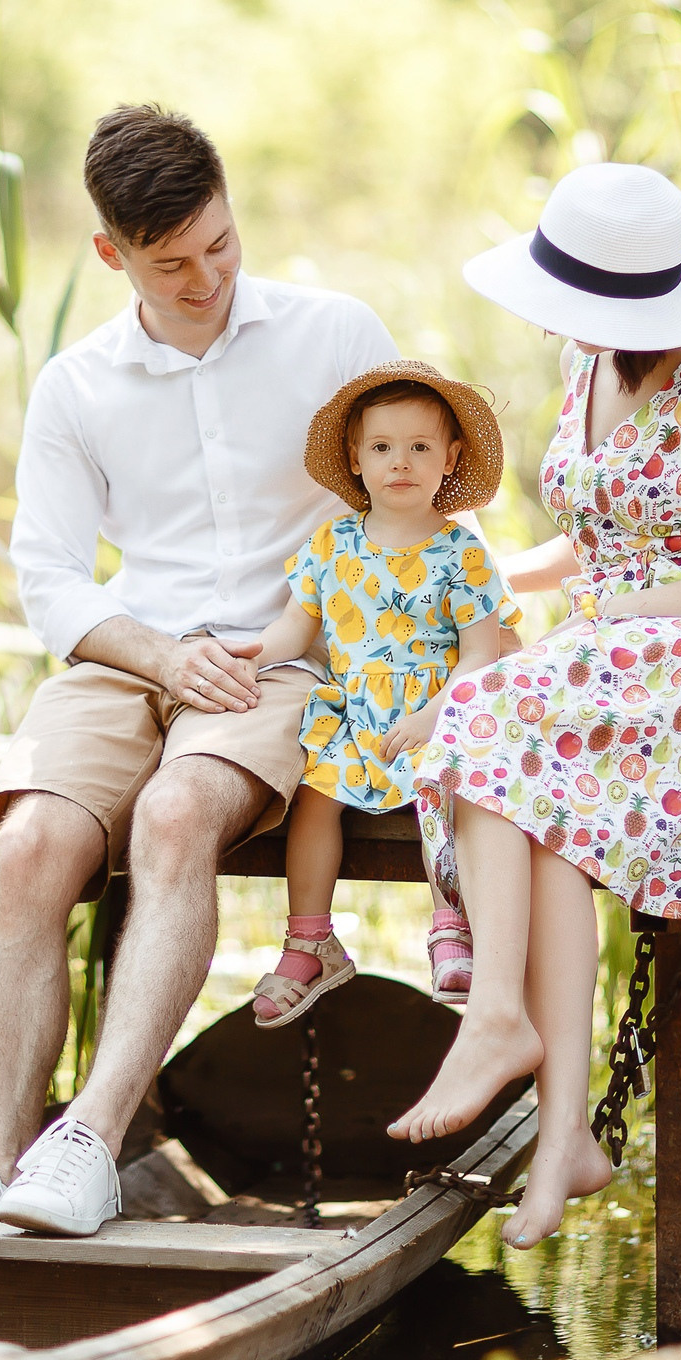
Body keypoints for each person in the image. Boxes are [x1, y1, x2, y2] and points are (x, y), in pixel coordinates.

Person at [0, 104, 398, 1236]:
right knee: (28, 845)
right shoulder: (75, 385)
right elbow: (51, 580)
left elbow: (409, 512)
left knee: (174, 817)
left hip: (278, 660)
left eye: (220, 244)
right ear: (112, 254)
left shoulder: (335, 333)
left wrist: (328, 643)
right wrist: (159, 654)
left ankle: (89, 1144)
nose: (206, 276)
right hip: (130, 656)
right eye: (171, 263)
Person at [388, 162, 681, 1248]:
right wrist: (489, 569)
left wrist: (616, 612)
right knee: (534, 808)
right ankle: (564, 1141)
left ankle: (497, 1015)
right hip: (624, 659)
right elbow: (593, 542)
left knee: (487, 707)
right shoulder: (595, 364)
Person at [239, 362, 519, 1026]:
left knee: (450, 785)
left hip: (439, 709)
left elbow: (483, 655)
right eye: (383, 447)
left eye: (421, 447)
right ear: (356, 458)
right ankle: (309, 938)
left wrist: (433, 715)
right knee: (314, 796)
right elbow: (293, 628)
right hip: (357, 712)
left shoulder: (462, 555)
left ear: (450, 459)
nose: (402, 463)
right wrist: (247, 653)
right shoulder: (332, 545)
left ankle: (454, 921)